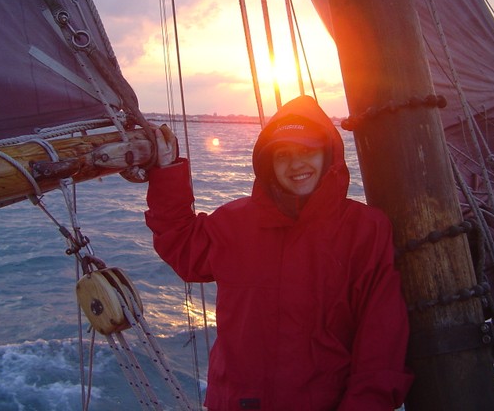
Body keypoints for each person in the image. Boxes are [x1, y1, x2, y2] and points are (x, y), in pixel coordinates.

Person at [145, 95, 413, 410]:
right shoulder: (235, 222)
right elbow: (183, 247)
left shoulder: (365, 230)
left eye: (307, 151)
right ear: (267, 163)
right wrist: (166, 170)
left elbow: (380, 345)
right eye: (283, 154)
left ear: (328, 155)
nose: (296, 163)